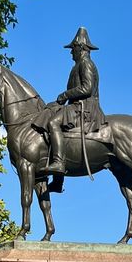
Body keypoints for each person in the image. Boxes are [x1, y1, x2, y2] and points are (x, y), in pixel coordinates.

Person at [38, 26, 107, 176]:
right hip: (76, 106)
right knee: (50, 112)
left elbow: (87, 88)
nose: (71, 52)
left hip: (84, 108)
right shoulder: (78, 65)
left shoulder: (86, 64)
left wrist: (65, 95)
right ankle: (58, 179)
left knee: (52, 123)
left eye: (73, 48)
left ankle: (58, 163)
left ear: (81, 48)